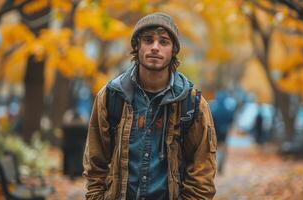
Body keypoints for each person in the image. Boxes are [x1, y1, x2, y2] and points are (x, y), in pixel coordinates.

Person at [83, 12, 217, 200]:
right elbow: (95, 165)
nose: (155, 47)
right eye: (148, 40)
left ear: (173, 50)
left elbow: (203, 172)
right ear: (137, 46)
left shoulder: (192, 103)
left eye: (164, 42)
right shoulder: (111, 96)